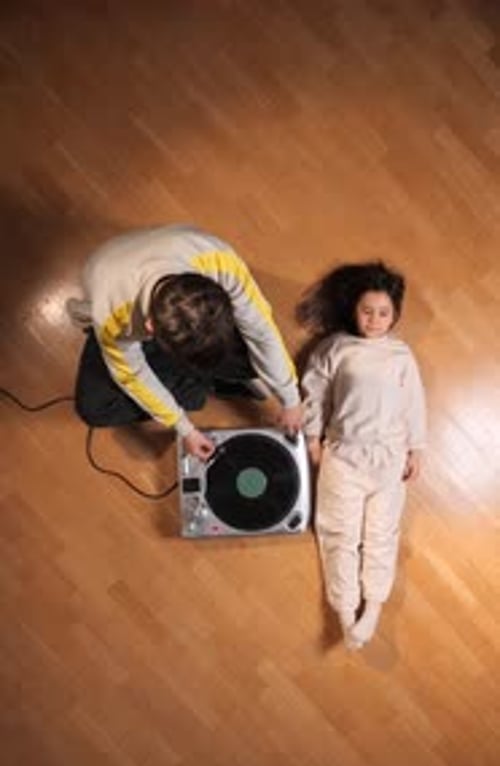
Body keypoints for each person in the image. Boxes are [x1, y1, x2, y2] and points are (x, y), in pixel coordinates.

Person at [67, 224, 302, 459]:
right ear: (150, 329)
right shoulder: (113, 318)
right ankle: (197, 388)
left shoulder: (218, 260)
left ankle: (197, 383)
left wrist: (290, 398)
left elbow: (260, 329)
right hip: (116, 302)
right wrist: (184, 428)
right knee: (94, 410)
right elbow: (133, 374)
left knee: (255, 357)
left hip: (149, 277)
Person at [299, 261, 426, 649]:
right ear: (354, 310)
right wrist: (312, 437)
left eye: (383, 313)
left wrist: (416, 446)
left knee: (381, 535)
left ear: (395, 315)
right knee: (339, 533)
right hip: (343, 456)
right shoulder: (334, 349)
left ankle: (372, 608)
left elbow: (413, 403)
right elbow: (314, 394)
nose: (374, 320)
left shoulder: (401, 355)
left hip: (388, 458)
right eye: (367, 311)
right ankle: (342, 609)